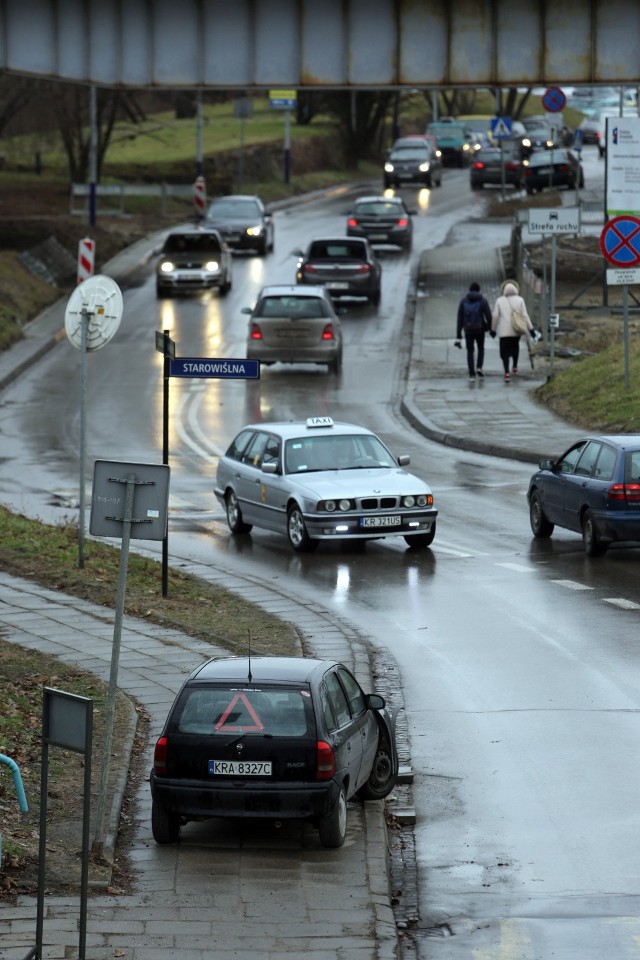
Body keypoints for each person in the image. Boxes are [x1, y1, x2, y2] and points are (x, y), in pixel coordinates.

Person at [491, 279, 534, 381]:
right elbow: (525, 315)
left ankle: (506, 372)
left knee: (504, 352)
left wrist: (493, 329)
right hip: (516, 330)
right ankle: (515, 366)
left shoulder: (499, 301)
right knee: (515, 348)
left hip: (504, 332)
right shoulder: (520, 300)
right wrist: (531, 329)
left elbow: (495, 316)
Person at [455, 281, 492, 379]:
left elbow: (459, 319)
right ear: (479, 290)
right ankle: (479, 367)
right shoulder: (483, 301)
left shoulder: (463, 301)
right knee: (481, 348)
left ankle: (471, 372)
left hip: (468, 330)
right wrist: (490, 329)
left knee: (470, 351)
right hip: (479, 330)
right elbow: (489, 317)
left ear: (470, 290)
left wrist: (458, 334)